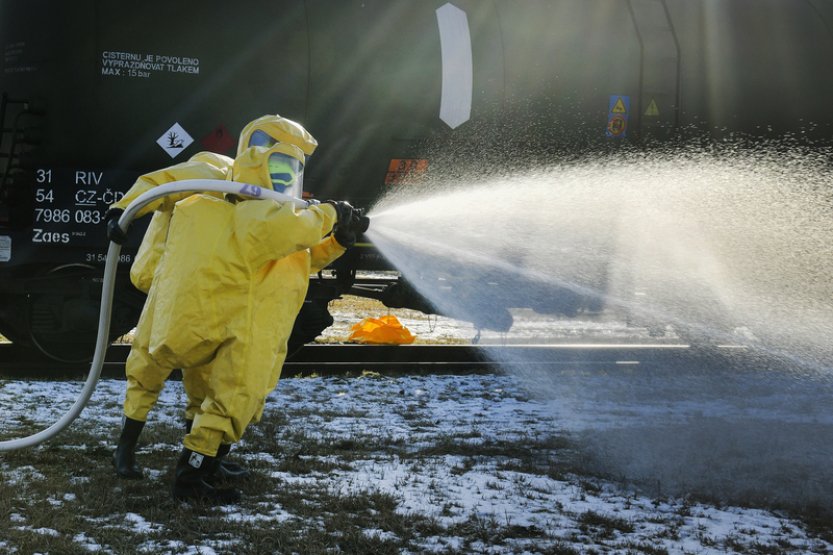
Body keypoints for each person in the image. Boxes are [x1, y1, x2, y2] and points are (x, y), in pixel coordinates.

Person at [106, 116, 363, 503]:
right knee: (211, 388)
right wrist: (123, 210)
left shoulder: (272, 211)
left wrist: (339, 241)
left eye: (292, 166)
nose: (284, 175)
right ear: (254, 151)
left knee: (216, 390)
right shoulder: (224, 190)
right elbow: (163, 183)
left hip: (245, 318)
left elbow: (298, 257)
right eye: (278, 161)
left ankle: (200, 465)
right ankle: (173, 469)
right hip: (207, 309)